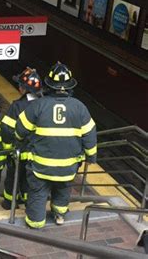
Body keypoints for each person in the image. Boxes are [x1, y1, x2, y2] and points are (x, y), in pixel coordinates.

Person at [15, 62, 97, 228]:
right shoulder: (80, 108)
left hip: (41, 166)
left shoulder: (38, 105)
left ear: (49, 85)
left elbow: (20, 130)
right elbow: (90, 135)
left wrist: (20, 139)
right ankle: (59, 215)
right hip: (68, 166)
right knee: (62, 189)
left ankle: (36, 222)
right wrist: (91, 157)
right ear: (70, 85)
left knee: (38, 193)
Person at [0, 67, 42, 210]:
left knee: (13, 178)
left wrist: (8, 149)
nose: (18, 87)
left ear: (24, 89)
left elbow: (6, 129)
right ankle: (26, 199)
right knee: (29, 180)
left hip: (20, 151)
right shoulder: (45, 104)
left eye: (20, 85)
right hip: (38, 153)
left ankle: (9, 203)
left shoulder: (17, 106)